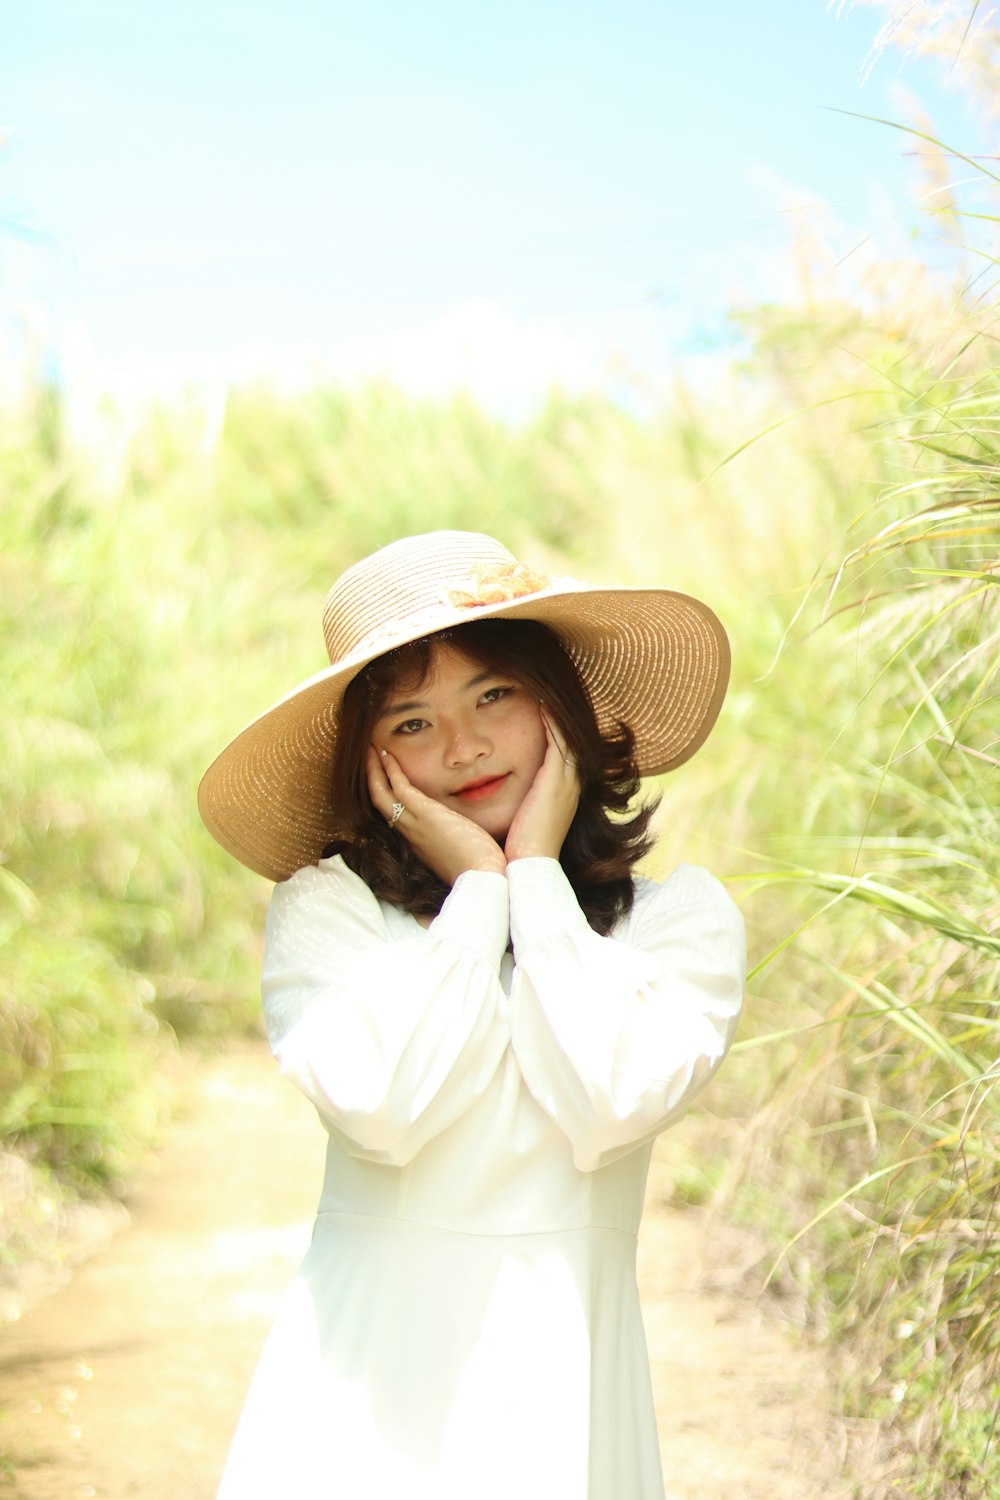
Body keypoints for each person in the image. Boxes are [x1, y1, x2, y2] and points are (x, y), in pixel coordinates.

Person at [198, 529, 746, 1500]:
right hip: (360, 1411)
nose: (463, 747)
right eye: (410, 723)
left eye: (493, 694)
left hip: (565, 1408)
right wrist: (478, 900)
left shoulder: (674, 924)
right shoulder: (331, 916)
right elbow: (383, 1105)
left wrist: (532, 882)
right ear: (368, 763)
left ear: (561, 712)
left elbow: (609, 1098)